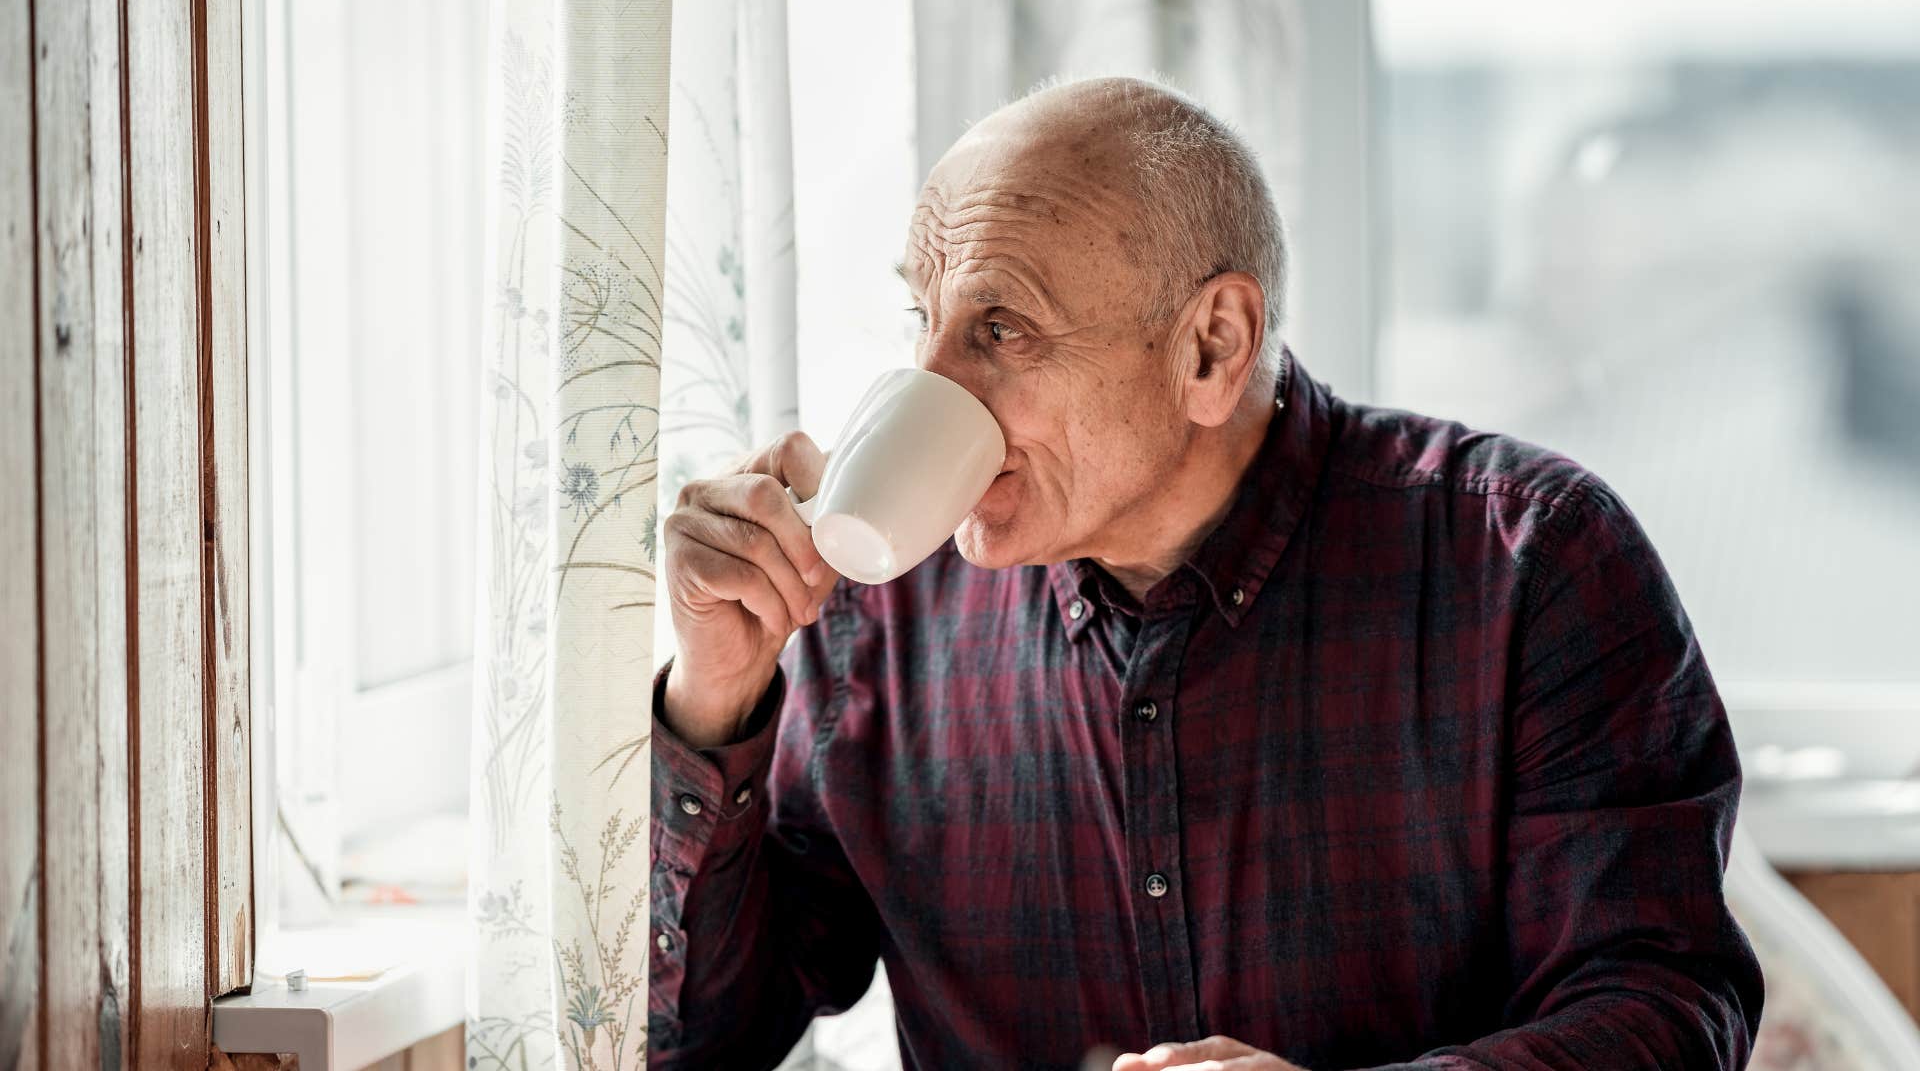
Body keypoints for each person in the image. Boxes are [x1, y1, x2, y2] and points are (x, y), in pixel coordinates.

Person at [648, 77, 1761, 1070]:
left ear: (1212, 347)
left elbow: (1666, 1007)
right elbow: (703, 1042)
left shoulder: (1533, 564)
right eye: (921, 321)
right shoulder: (879, 615)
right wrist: (718, 697)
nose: (931, 384)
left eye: (1000, 328)